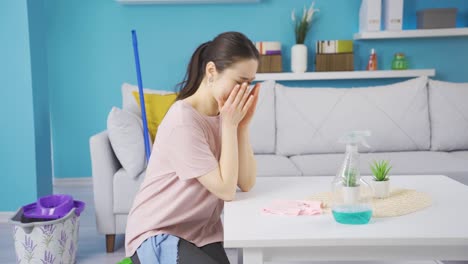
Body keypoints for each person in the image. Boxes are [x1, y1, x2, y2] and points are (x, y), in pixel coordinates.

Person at [124, 31, 261, 264]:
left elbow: (245, 182)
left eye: (249, 84)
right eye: (239, 82)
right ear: (211, 72)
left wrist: (242, 126)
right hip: (159, 232)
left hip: (201, 233)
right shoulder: (184, 120)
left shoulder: (224, 114)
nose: (243, 92)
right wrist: (229, 125)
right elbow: (226, 190)